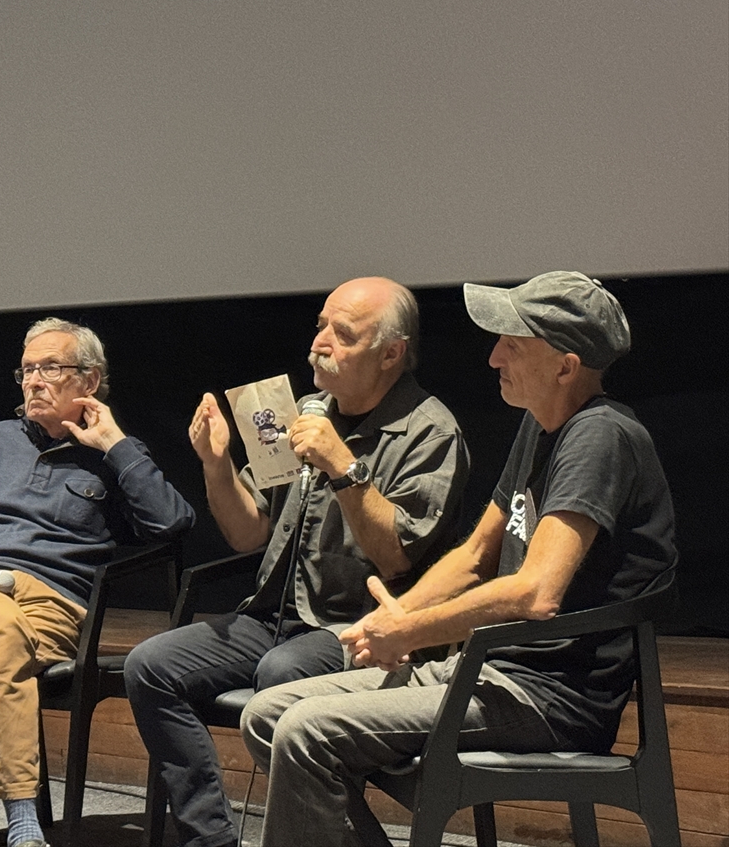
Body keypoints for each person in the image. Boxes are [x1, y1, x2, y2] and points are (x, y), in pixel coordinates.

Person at [240, 271, 678, 847]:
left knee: (305, 730)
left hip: (548, 697)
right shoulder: (540, 426)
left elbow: (536, 591)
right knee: (266, 714)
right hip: (488, 672)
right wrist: (389, 620)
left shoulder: (600, 437)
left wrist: (413, 629)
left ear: (565, 365)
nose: (494, 357)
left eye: (512, 346)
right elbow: (475, 555)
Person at [124, 277, 470, 847]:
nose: (320, 343)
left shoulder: (430, 430)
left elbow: (399, 553)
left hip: (363, 627)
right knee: (150, 666)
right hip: (272, 618)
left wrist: (342, 465)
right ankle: (210, 838)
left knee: (279, 674)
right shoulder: (302, 413)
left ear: (391, 353)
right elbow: (247, 533)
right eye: (320, 326)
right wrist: (217, 466)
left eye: (343, 333)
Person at [0, 318, 195, 847]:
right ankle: (23, 817)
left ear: (89, 381)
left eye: (50, 368)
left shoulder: (114, 457)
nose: (33, 380)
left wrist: (116, 445)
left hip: (54, 608)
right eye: (27, 369)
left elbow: (172, 523)